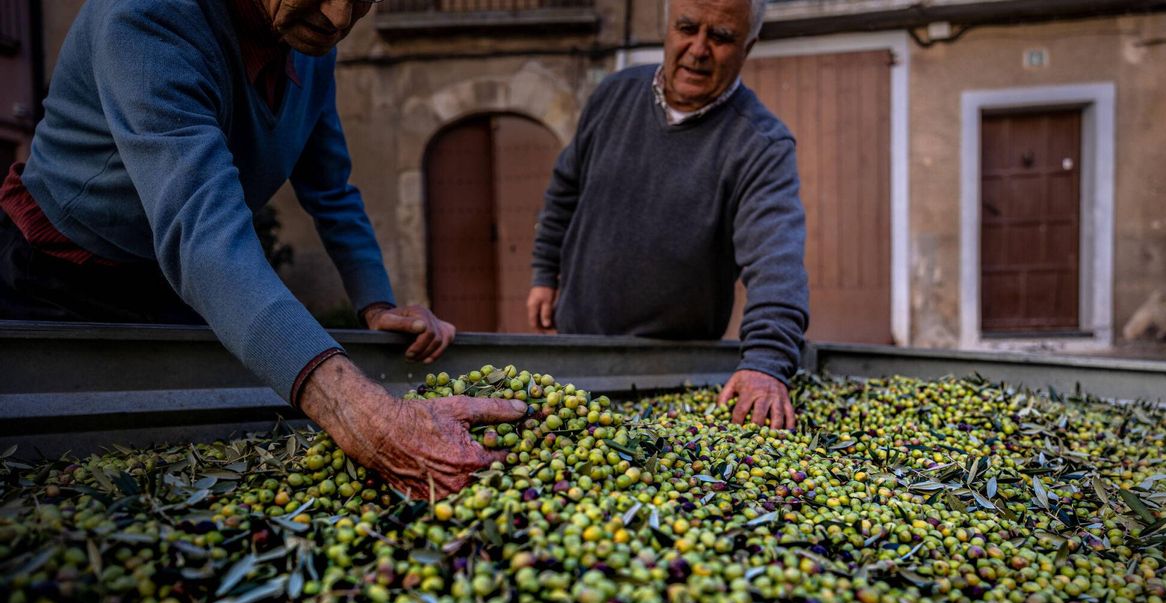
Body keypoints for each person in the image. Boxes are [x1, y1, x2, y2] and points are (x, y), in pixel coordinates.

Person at [0, 0, 524, 498]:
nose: (339, 17)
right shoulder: (146, 17)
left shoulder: (312, 44)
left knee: (181, 458)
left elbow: (331, 189)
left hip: (173, 283)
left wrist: (377, 304)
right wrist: (364, 415)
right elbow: (201, 228)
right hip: (53, 276)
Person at [527, 0, 809, 430]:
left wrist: (767, 363)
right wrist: (545, 273)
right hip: (577, 349)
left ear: (747, 47)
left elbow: (777, 260)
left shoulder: (761, 145)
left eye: (720, 37)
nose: (698, 49)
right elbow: (566, 187)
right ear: (667, 29)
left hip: (676, 373)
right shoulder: (613, 95)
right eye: (687, 28)